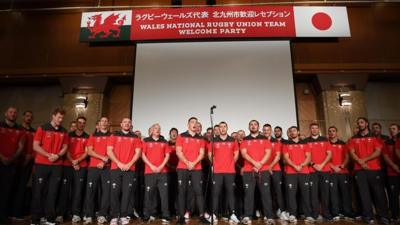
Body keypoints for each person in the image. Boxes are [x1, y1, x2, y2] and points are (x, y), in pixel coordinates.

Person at [347, 117, 389, 224]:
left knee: (379, 193)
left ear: (366, 124)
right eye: (358, 123)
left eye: (361, 122)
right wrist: (360, 162)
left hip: (374, 169)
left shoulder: (375, 137)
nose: (360, 124)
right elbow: (352, 153)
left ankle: (383, 216)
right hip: (359, 170)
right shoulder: (353, 139)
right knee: (363, 194)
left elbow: (378, 152)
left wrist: (363, 160)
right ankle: (368, 216)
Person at [31, 107, 69, 225]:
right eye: (59, 117)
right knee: (39, 192)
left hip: (57, 165)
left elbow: (65, 147)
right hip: (42, 164)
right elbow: (35, 146)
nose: (61, 119)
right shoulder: (42, 128)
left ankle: (49, 218)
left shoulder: (64, 131)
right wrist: (48, 155)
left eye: (62, 118)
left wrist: (57, 156)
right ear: (53, 116)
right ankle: (36, 219)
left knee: (53, 192)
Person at [107, 118, 142, 225]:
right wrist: (119, 163)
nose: (127, 124)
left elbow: (138, 153)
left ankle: (123, 215)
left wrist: (129, 164)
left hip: (130, 169)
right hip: (116, 168)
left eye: (129, 122)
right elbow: (109, 151)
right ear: (121, 124)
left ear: (131, 125)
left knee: (127, 194)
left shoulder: (135, 137)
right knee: (115, 192)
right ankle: (114, 216)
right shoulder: (114, 135)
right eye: (125, 122)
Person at [175, 117, 209, 225]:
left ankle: (202, 216)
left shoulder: (200, 138)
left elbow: (202, 153)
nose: (194, 124)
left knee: (199, 192)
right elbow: (178, 152)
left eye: (196, 122)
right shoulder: (181, 136)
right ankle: (181, 216)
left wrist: (193, 163)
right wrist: (187, 162)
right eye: (192, 122)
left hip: (196, 168)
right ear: (188, 125)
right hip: (182, 167)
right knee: (182, 192)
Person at [240, 120, 274, 225]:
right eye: (251, 124)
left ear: (258, 127)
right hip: (248, 171)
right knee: (248, 194)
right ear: (248, 127)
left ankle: (269, 217)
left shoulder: (264, 139)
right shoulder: (245, 140)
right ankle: (247, 216)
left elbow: (268, 153)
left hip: (263, 170)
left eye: (255, 124)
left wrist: (260, 164)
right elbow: (244, 154)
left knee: (266, 194)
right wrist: (255, 163)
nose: (253, 126)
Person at [208, 122, 240, 223]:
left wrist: (231, 163)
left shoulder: (232, 140)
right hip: (217, 171)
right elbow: (209, 154)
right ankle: (214, 214)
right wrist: (215, 164)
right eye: (220, 127)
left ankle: (233, 214)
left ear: (227, 128)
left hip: (230, 171)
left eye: (224, 126)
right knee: (216, 193)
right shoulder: (213, 140)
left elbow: (236, 154)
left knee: (230, 193)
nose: (222, 128)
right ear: (219, 129)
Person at [282, 126, 314, 224]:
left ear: (298, 132)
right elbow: (286, 158)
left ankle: (308, 215)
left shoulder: (305, 143)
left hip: (304, 172)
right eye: (290, 131)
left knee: (306, 194)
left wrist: (301, 165)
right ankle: (292, 214)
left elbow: (308, 157)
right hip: (290, 172)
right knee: (291, 194)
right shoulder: (286, 144)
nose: (292, 132)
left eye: (294, 131)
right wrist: (294, 166)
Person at [83, 117, 112, 224]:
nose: (104, 123)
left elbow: (113, 152)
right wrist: (102, 158)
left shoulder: (111, 136)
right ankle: (89, 215)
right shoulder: (93, 135)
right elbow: (89, 151)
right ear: (98, 124)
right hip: (93, 167)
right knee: (90, 191)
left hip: (107, 168)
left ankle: (102, 215)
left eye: (106, 121)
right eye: (102, 121)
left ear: (108, 124)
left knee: (106, 192)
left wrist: (104, 161)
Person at [0, 107, 26, 224]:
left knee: (8, 190)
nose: (13, 114)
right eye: (11, 112)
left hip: (12, 164)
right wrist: (2, 157)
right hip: (0, 161)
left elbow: (21, 147)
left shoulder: (20, 129)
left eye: (15, 113)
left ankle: (4, 216)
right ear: (6, 113)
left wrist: (10, 159)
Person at [142, 124, 171, 223]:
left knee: (164, 195)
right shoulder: (146, 140)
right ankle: (147, 214)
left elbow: (167, 155)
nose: (157, 130)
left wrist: (161, 166)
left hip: (162, 172)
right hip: (150, 172)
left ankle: (166, 215)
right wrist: (152, 166)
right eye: (155, 128)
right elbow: (143, 155)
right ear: (151, 130)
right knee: (149, 194)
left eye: (159, 129)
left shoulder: (164, 141)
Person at [304, 123, 332, 220]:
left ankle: (326, 214)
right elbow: (305, 156)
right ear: (310, 129)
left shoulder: (325, 140)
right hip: (312, 170)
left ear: (318, 129)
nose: (314, 130)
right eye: (312, 128)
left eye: (316, 128)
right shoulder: (306, 141)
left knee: (325, 193)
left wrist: (322, 165)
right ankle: (315, 214)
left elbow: (329, 154)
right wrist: (314, 165)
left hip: (325, 170)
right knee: (313, 194)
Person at [11, 110, 35, 221]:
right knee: (13, 186)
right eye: (27, 116)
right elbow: (16, 145)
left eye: (30, 116)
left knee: (22, 188)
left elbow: (36, 147)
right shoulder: (18, 129)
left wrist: (30, 157)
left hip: (29, 162)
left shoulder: (34, 131)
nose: (29, 118)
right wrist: (24, 155)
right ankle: (10, 212)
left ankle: (17, 212)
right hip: (17, 161)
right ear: (23, 117)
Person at [327, 126, 354, 220]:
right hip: (331, 171)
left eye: (333, 131)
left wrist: (342, 166)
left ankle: (347, 212)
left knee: (345, 193)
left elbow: (347, 157)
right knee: (333, 193)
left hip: (343, 171)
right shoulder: (326, 144)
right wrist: (333, 167)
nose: (331, 133)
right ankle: (335, 213)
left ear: (336, 132)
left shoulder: (343, 143)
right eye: (329, 131)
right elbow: (324, 158)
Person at [263, 124, 288, 220]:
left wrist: (270, 166)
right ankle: (268, 213)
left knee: (278, 192)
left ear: (271, 131)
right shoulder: (260, 141)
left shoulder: (276, 142)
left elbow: (278, 156)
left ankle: (281, 211)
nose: (266, 131)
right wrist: (266, 167)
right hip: (264, 170)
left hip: (276, 169)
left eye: (268, 130)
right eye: (264, 130)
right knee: (266, 193)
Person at [382, 124, 400, 222]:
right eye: (390, 129)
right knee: (393, 196)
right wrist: (394, 166)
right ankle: (395, 216)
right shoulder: (386, 142)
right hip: (392, 172)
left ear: (398, 130)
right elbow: (385, 156)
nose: (391, 131)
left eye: (393, 129)